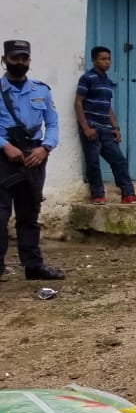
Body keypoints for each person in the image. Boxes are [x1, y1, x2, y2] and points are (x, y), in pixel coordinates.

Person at [0, 39, 64, 281]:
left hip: (33, 158)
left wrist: (45, 148)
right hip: (4, 158)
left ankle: (33, 266)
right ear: (4, 60)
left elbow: (54, 124)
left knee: (29, 215)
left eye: (24, 58)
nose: (20, 63)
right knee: (0, 215)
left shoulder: (41, 90)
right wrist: (5, 145)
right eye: (15, 58)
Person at [75, 46, 136, 206]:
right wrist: (85, 128)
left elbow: (108, 107)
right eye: (103, 59)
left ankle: (128, 194)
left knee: (119, 160)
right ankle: (98, 195)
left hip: (106, 128)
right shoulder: (87, 78)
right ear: (94, 60)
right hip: (92, 127)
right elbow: (78, 103)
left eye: (109, 59)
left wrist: (115, 128)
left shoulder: (107, 81)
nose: (107, 62)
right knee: (93, 163)